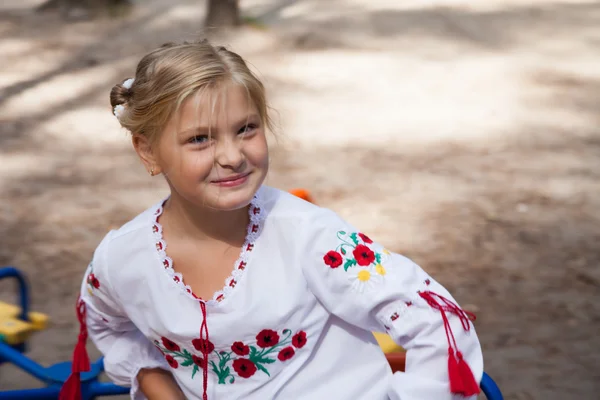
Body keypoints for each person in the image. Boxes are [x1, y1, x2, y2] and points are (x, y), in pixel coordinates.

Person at [59, 40, 483, 400]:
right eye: (200, 138)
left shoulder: (310, 238)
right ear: (148, 151)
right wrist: (157, 383)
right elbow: (106, 323)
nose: (232, 155)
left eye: (246, 128)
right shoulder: (123, 258)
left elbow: (439, 322)